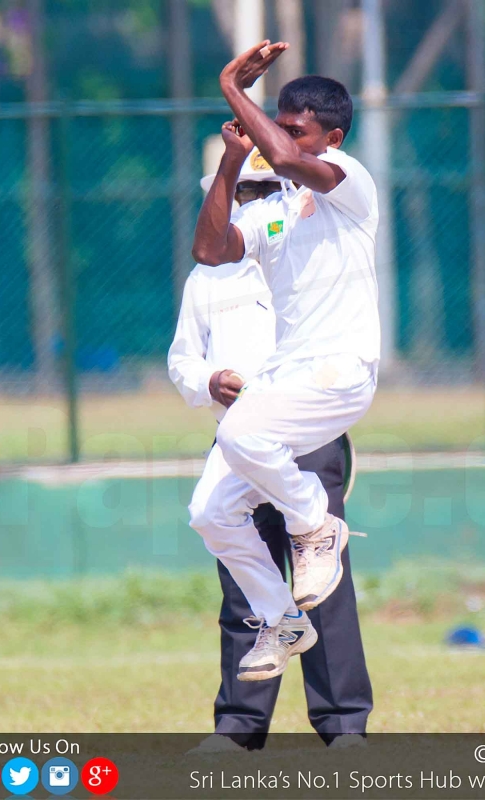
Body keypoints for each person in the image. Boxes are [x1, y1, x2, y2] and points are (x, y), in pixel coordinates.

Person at [188, 42, 381, 682]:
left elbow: (292, 159)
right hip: (287, 376)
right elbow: (210, 250)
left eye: (297, 129)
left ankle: (313, 524)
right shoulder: (273, 210)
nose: (282, 140)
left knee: (241, 433)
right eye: (281, 125)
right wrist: (230, 159)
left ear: (334, 137)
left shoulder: (349, 181)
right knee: (211, 513)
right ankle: (282, 618)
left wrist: (231, 88)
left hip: (340, 369)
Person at [168, 154, 372, 749]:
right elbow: (182, 361)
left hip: (305, 434)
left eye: (266, 189)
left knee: (320, 582)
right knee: (242, 581)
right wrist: (210, 382)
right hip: (236, 435)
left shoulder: (311, 253)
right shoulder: (209, 276)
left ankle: (343, 728)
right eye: (245, 191)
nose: (255, 201)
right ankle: (238, 729)